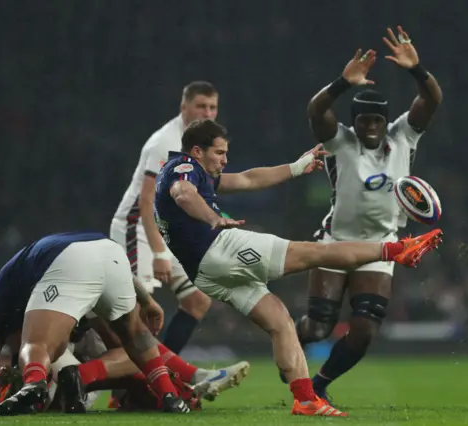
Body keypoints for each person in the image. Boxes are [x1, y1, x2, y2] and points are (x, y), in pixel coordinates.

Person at [154, 119, 443, 417]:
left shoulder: (197, 171)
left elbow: (247, 179)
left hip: (204, 273)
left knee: (280, 321)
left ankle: (305, 399)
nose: (225, 160)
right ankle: (398, 249)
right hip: (219, 248)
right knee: (314, 253)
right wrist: (212, 218)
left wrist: (296, 167)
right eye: (219, 153)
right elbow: (184, 194)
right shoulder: (183, 168)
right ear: (197, 151)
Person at [292, 25, 444, 402]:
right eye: (364, 121)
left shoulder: (403, 137)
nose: (371, 126)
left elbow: (433, 98)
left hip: (380, 247)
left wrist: (416, 69)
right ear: (355, 121)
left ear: (385, 120)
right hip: (336, 242)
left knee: (364, 331)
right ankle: (286, 342)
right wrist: (343, 82)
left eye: (377, 120)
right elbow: (316, 110)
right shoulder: (339, 141)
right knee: (317, 328)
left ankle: (318, 387)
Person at [0, 232, 191, 415]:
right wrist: (147, 300)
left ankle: (33, 382)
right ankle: (168, 395)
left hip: (68, 265)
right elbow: (93, 260)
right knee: (134, 334)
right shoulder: (29, 273)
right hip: (111, 254)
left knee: (36, 344)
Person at [111, 81, 218, 355]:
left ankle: (161, 376)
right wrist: (159, 252)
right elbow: (147, 201)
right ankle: (124, 388)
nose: (207, 113)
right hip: (137, 228)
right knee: (132, 314)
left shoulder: (201, 144)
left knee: (197, 300)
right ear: (184, 107)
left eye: (212, 107)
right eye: (200, 106)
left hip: (166, 229)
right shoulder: (166, 143)